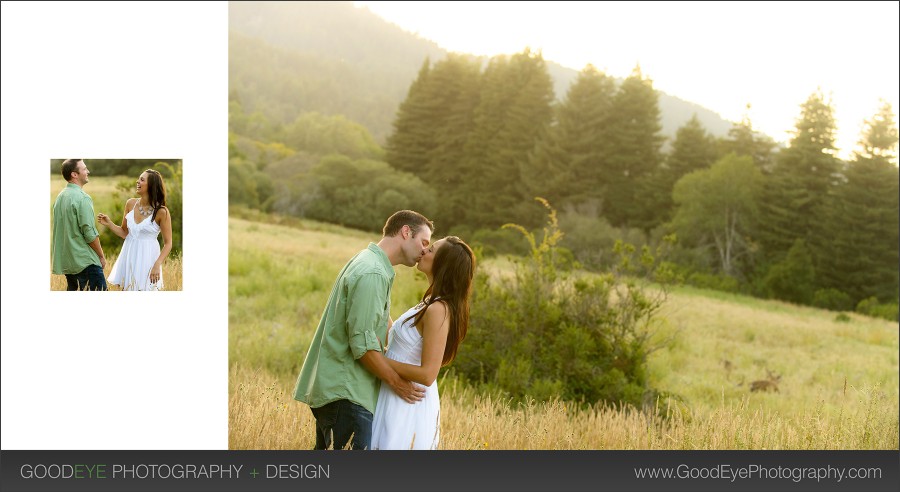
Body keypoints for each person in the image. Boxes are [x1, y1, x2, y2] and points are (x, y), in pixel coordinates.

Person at [293, 210, 435, 450]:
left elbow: (371, 322)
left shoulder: (370, 262)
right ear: (405, 232)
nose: (424, 250)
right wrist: (397, 383)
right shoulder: (373, 272)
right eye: (424, 242)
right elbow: (363, 345)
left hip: (343, 390)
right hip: (347, 392)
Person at [370, 236, 475, 450]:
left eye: (432, 249)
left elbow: (428, 374)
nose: (424, 250)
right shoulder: (429, 303)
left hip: (407, 401)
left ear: (442, 264)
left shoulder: (438, 309)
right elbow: (399, 341)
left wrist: (379, 360)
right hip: (394, 393)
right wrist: (376, 299)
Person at [97, 169, 173, 291]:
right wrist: (110, 224)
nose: (138, 181)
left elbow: (168, 243)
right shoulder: (130, 204)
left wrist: (157, 264)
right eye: (138, 178)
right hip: (129, 255)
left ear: (151, 185)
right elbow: (124, 233)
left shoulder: (161, 212)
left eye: (142, 180)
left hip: (148, 258)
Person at [51, 159, 108, 291]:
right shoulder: (83, 198)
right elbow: (89, 233)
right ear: (74, 174)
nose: (88, 171)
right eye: (84, 169)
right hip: (86, 262)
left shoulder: (60, 197)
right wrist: (101, 255)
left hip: (69, 264)